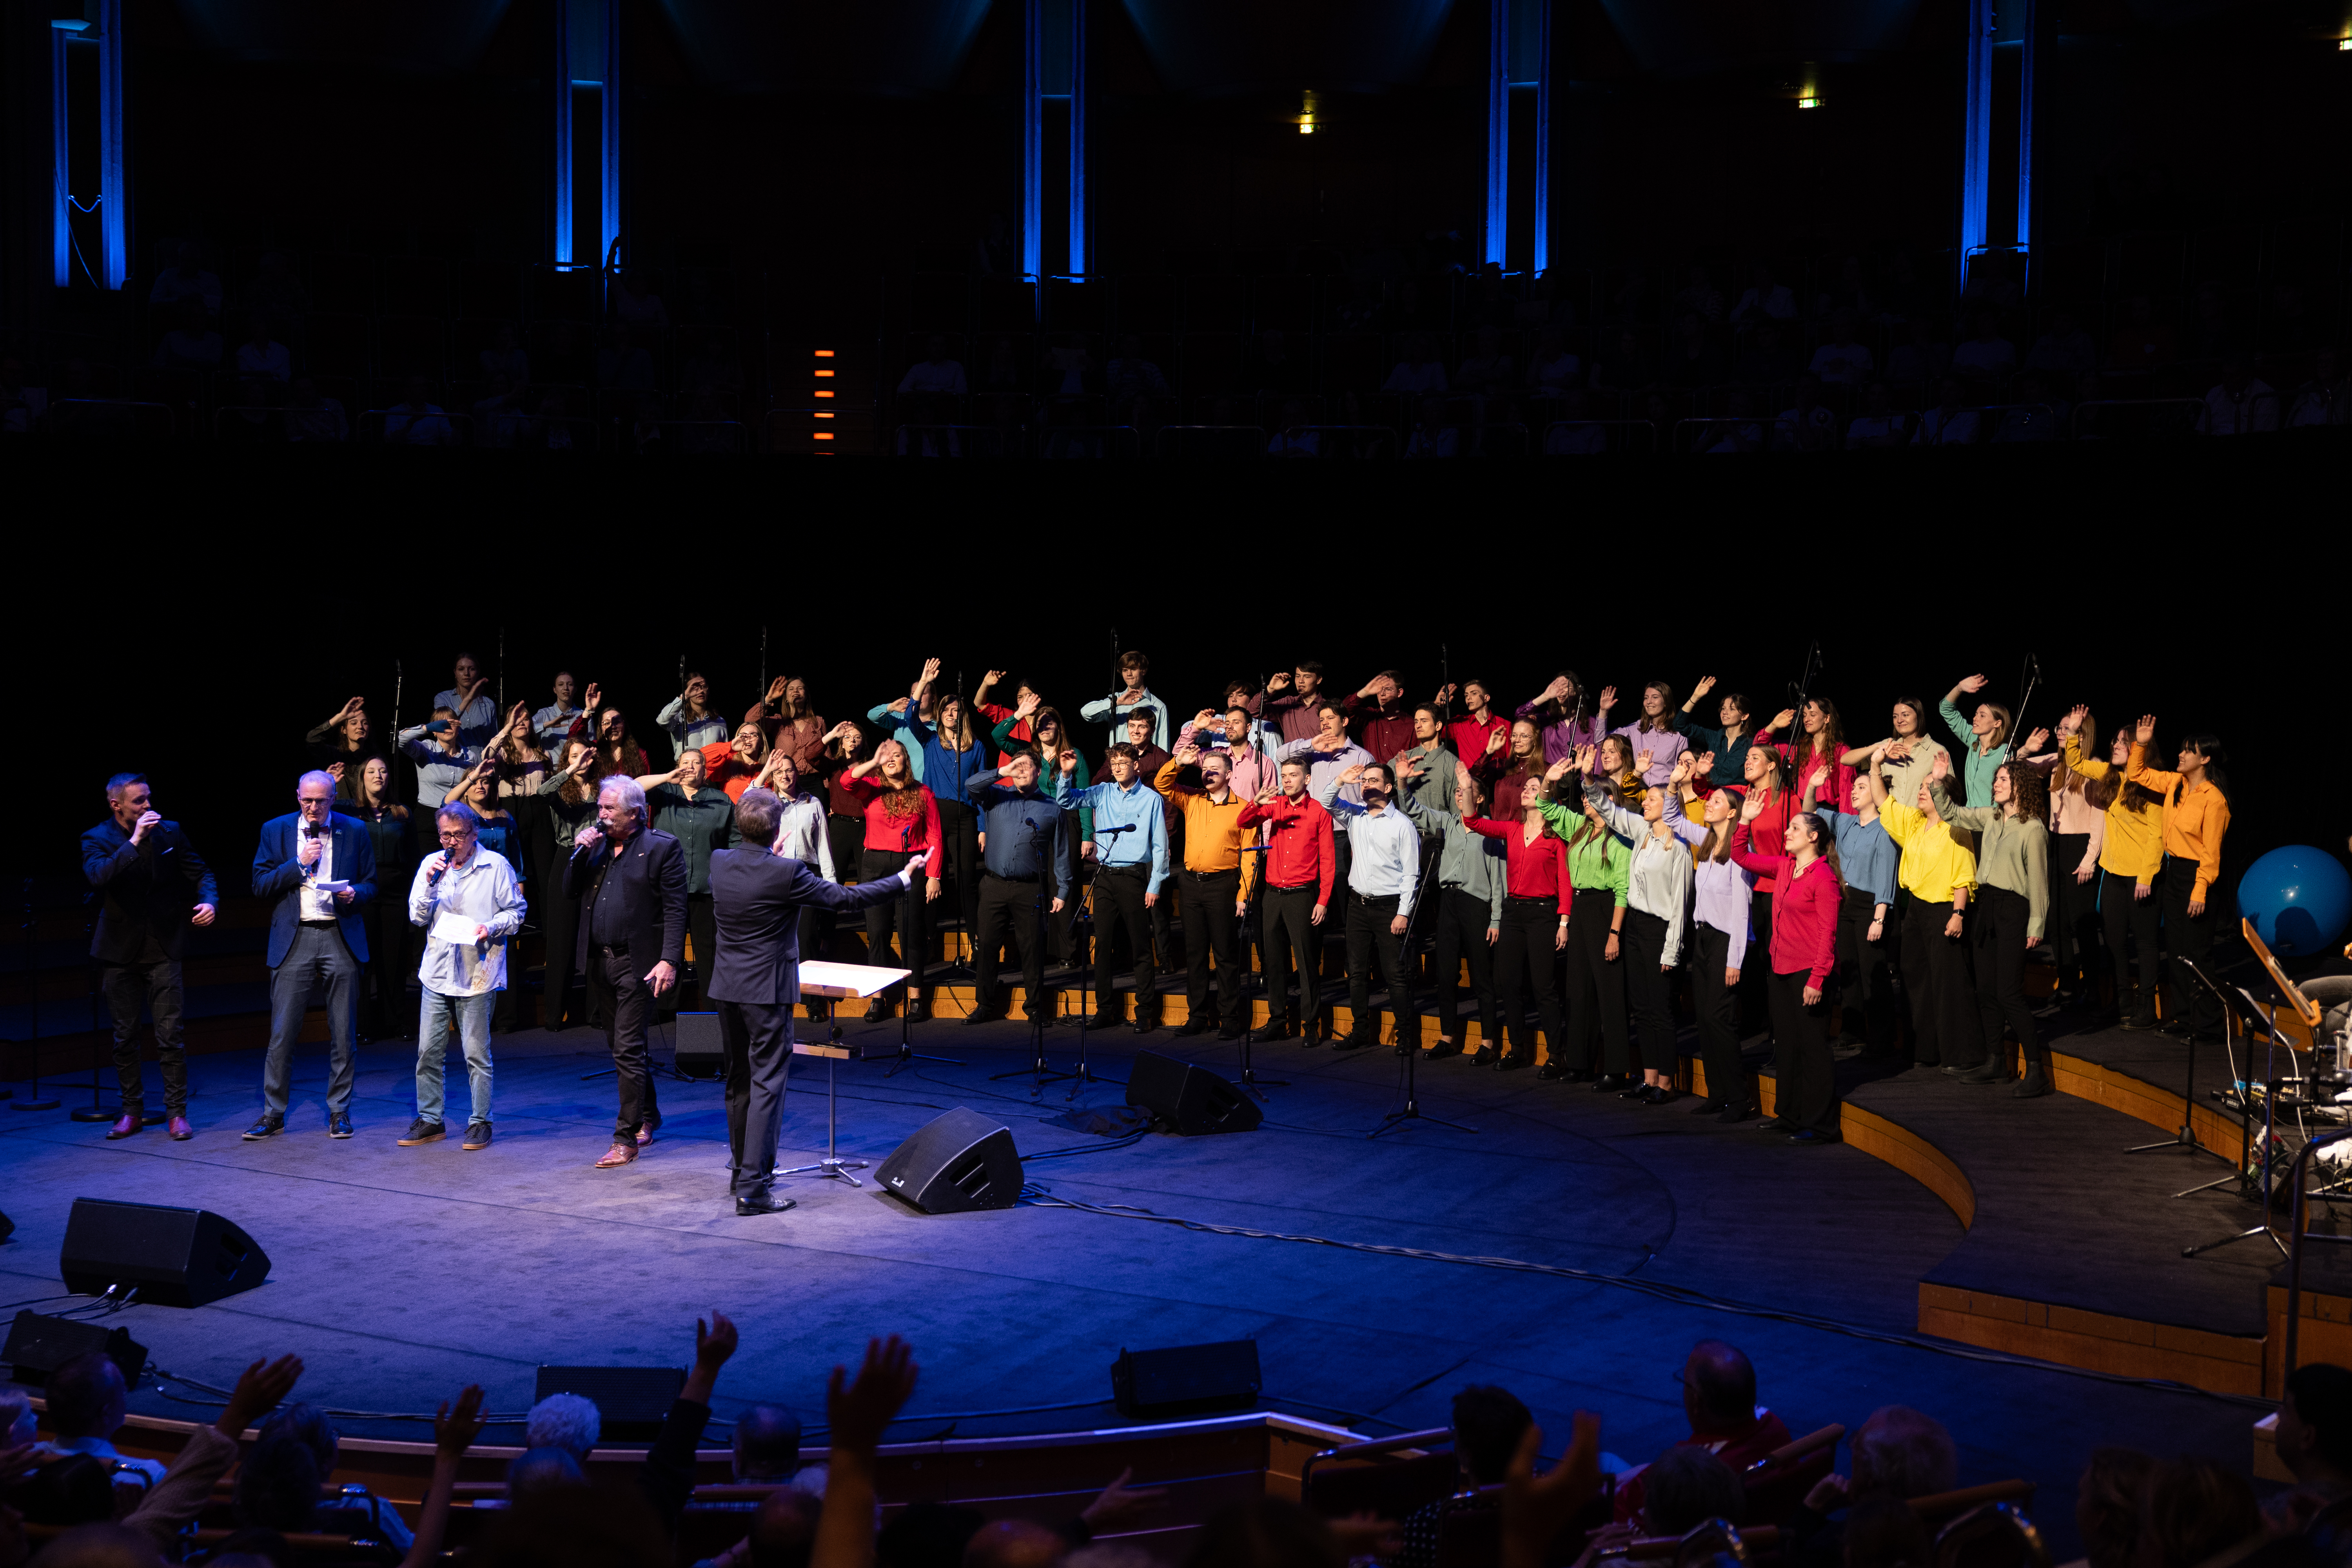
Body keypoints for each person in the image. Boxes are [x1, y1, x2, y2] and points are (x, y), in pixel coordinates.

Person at [709, 788, 927, 1215]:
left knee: (738, 1083)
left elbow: (750, 866)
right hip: (766, 992)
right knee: (766, 1086)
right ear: (778, 830)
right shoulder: (787, 872)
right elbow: (848, 899)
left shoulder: (721, 862)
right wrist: (903, 878)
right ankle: (753, 1190)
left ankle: (742, 1173)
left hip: (726, 989)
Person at [83, 774, 218, 1142]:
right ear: (117, 806)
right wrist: (136, 840)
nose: (148, 807)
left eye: (149, 799)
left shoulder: (170, 832)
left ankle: (177, 1114)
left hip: (163, 948)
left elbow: (202, 871)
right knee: (125, 1036)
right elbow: (99, 876)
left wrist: (209, 900)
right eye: (139, 802)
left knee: (170, 1035)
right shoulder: (97, 838)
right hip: (118, 951)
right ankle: (131, 1112)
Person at [1561, 751, 1703, 1102]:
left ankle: (1666, 1083)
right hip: (1637, 928)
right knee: (1641, 1007)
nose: (1646, 804)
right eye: (1648, 799)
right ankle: (1650, 1078)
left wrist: (1672, 949)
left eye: (1653, 799)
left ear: (1668, 807)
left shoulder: (1679, 851)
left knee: (1661, 1010)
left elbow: (1680, 908)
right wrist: (1589, 779)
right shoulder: (1641, 832)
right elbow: (1609, 810)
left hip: (1660, 931)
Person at [246, 771, 376, 1142]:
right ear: (298, 797)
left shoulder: (354, 830)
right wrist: (299, 864)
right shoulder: (276, 830)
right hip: (295, 937)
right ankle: (273, 1113)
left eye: (321, 801)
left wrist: (357, 894)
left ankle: (340, 1111)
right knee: (282, 1033)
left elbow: (371, 883)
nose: (314, 808)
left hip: (339, 934)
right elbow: (260, 884)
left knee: (343, 1033)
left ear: (334, 798)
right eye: (307, 801)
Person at [567, 777, 688, 1167]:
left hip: (639, 963)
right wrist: (580, 853)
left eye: (608, 809)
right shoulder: (598, 846)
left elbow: (675, 908)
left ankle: (626, 1138)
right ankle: (648, 1116)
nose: (600, 815)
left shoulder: (661, 848)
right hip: (599, 960)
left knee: (629, 1047)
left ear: (635, 813)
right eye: (600, 808)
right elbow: (569, 890)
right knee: (621, 1048)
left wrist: (670, 958)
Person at [400, 799, 526, 1153]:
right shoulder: (432, 865)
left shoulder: (495, 866)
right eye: (445, 835)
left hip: (477, 972)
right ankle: (430, 1120)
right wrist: (428, 884)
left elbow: (517, 911)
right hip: (437, 972)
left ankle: (480, 1122)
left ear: (474, 834)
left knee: (475, 1053)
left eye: (459, 834)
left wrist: (491, 926)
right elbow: (417, 917)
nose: (452, 841)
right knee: (428, 1051)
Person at [1929, 754, 2053, 1096]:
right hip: (1985, 906)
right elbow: (1953, 813)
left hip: (2014, 909)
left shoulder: (2033, 829)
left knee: (2009, 993)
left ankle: (2038, 1072)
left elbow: (2040, 882)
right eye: (1996, 780)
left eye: (2002, 781)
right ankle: (1997, 1061)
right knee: (1985, 989)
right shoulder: (1992, 817)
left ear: (2020, 787)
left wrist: (2036, 926)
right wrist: (1938, 782)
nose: (1996, 785)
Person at [1729, 793, 1843, 1143]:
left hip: (1808, 972)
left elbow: (1829, 933)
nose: (1788, 832)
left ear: (1814, 837)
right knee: (1788, 1045)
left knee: (1813, 1049)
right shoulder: (1784, 867)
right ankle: (1790, 1115)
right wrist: (1744, 821)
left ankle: (1822, 1124)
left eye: (1795, 827)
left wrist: (1818, 979)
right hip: (1780, 968)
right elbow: (1740, 856)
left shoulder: (1823, 877)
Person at [1867, 746, 1980, 1073]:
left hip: (1945, 910)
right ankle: (1925, 1049)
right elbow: (1883, 803)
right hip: (1916, 909)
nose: (1921, 791)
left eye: (1928, 787)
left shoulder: (1956, 828)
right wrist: (1876, 765)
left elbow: (1963, 875)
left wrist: (1958, 914)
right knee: (1915, 978)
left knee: (1950, 982)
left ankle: (1963, 1055)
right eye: (1921, 786)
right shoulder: (1915, 822)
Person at [2127, 716, 2231, 1045]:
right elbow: (2137, 774)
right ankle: (2184, 1018)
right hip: (2174, 874)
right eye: (2182, 750)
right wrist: (2141, 744)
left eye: (2190, 752)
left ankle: (2210, 1026)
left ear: (2206, 759)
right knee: (2175, 951)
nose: (2182, 755)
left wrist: (2199, 892)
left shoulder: (2214, 799)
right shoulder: (2175, 784)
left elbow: (2212, 855)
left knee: (2197, 954)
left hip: (2198, 878)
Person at [1612, 1341, 1791, 1526]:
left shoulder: (1690, 1471)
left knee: (1606, 1460)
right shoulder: (1774, 1426)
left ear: (1697, 1401)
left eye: (1685, 1383)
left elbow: (1615, 1509)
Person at [2062, 715, 2166, 1028]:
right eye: (2116, 741)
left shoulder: (2152, 782)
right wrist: (2073, 731)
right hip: (2114, 873)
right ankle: (2121, 1003)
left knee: (2146, 944)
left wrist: (2146, 876)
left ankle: (2146, 1009)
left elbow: (2156, 836)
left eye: (2125, 742)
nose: (2117, 746)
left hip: (2142, 876)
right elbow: (2076, 762)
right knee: (2115, 941)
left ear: (2141, 748)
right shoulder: (2109, 774)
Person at [1463, 772, 1571, 1073]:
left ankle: (1555, 1055)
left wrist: (1564, 921)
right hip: (1513, 912)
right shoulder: (1512, 829)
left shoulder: (1555, 837)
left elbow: (1564, 880)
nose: (1526, 791)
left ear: (1547, 798)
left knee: (1543, 986)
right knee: (1509, 983)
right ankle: (1517, 1049)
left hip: (1543, 914)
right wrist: (1464, 785)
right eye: (1526, 787)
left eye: (1534, 788)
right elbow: (1473, 822)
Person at [1059, 744, 1170, 1032]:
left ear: (1137, 765)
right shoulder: (1103, 792)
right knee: (1103, 946)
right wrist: (1067, 775)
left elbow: (1160, 846)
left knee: (1140, 948)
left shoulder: (1151, 799)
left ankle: (1145, 1012)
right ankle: (1104, 1010)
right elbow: (1067, 801)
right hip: (1105, 876)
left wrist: (1155, 883)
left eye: (1123, 762)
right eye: (1114, 763)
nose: (1118, 767)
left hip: (1134, 877)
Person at [959, 752, 1074, 1028]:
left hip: (1030, 888)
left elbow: (1061, 852)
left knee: (1032, 949)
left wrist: (1063, 890)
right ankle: (984, 1005)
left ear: (1039, 774)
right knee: (986, 946)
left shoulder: (1052, 808)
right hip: (994, 885)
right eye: (1017, 767)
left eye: (1027, 767)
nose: (1021, 772)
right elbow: (971, 786)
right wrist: (1003, 770)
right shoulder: (997, 795)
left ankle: (1035, 1008)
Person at [1398, 769, 1505, 1061]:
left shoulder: (1492, 831)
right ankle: (1447, 1038)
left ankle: (1487, 1043)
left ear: (1480, 798)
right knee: (1446, 974)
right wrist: (1403, 782)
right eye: (1457, 790)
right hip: (1449, 901)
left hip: (1476, 904)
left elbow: (1498, 878)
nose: (1459, 794)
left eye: (1466, 789)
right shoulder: (1447, 821)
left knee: (1482, 976)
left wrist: (1496, 918)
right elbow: (1412, 809)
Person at [1155, 745, 1256, 1040]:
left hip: (1223, 885)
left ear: (1229, 773)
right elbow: (1163, 784)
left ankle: (1229, 1018)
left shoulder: (1243, 808)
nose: (1208, 773)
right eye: (1204, 769)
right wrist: (1179, 762)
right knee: (1195, 954)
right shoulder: (1192, 799)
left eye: (1214, 769)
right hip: (1190, 884)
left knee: (1225, 955)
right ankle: (1197, 1016)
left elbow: (1250, 855)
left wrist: (1243, 895)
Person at [1320, 763, 1422, 1051]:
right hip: (1358, 905)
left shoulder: (1402, 825)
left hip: (1389, 908)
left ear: (1388, 788)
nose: (1365, 785)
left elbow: (1411, 875)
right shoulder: (1355, 815)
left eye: (1373, 780)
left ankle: (1405, 1036)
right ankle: (1361, 1031)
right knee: (1356, 972)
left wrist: (1403, 912)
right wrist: (1342, 779)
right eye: (1363, 781)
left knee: (1395, 974)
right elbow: (1326, 802)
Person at [1238, 760, 1337, 1044]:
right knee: (1274, 962)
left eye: (1294, 775)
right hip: (1272, 896)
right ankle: (1277, 1021)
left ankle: (1311, 1025)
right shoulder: (1275, 805)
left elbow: (1328, 861)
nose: (1288, 780)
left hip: (1302, 896)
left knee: (1306, 963)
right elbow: (1243, 823)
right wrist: (1255, 804)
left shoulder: (1318, 811)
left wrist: (1323, 900)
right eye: (1285, 776)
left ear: (1307, 778)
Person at [1680, 771, 1757, 1118]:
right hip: (1705, 937)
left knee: (1720, 1017)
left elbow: (1742, 912)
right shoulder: (1709, 843)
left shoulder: (1741, 852)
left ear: (1732, 813)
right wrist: (1675, 785)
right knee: (1704, 1017)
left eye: (1716, 802)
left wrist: (1735, 960)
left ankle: (1739, 1100)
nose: (1708, 804)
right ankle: (1717, 1093)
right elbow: (1672, 818)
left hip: (1728, 940)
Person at [636, 747, 737, 1013]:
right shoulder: (665, 794)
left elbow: (734, 843)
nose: (691, 766)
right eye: (685, 762)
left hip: (706, 890)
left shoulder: (722, 801)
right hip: (668, 889)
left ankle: (713, 1012)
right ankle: (665, 1010)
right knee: (669, 951)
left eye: (697, 763)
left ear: (706, 770)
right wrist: (668, 777)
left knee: (709, 954)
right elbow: (634, 787)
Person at [1559, 765, 1633, 1088]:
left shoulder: (1619, 838)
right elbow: (1548, 808)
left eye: (1594, 797)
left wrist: (1614, 934)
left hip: (1606, 910)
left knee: (1610, 993)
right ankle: (1579, 1063)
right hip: (1581, 907)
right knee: (1579, 992)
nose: (1586, 802)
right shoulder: (1579, 828)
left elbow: (1622, 889)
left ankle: (1616, 1069)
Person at [1823, 773, 1901, 1060]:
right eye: (1854, 786)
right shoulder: (1846, 822)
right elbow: (1808, 812)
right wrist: (1811, 787)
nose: (1854, 791)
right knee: (1851, 971)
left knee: (1873, 974)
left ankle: (1882, 1039)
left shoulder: (1885, 828)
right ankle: (1851, 1032)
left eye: (1862, 787)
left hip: (1871, 906)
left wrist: (1880, 918)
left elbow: (1886, 876)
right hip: (1846, 902)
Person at [1271, 701, 1374, 896]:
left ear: (1345, 721)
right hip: (1311, 832)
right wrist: (1311, 744)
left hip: (1341, 834)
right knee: (1312, 891)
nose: (1325, 723)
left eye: (1330, 718)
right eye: (1322, 719)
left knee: (1339, 891)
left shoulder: (1361, 757)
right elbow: (1280, 754)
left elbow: (1367, 802)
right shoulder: (1313, 754)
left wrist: (1359, 836)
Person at [342, 756, 413, 1037]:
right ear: (361, 779)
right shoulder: (350, 814)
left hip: (395, 893)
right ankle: (363, 1025)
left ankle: (394, 1020)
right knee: (364, 960)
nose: (378, 776)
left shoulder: (401, 813)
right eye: (371, 771)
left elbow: (413, 856)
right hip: (363, 893)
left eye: (383, 771)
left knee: (394, 959)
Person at [1937, 673, 2012, 813]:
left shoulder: (2005, 753)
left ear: (1998, 723)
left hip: (1993, 820)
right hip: (1971, 818)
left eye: (1982, 716)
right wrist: (1959, 688)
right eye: (1976, 714)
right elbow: (1946, 710)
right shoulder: (1973, 741)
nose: (1975, 718)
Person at [1080, 650, 1172, 753]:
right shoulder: (1116, 700)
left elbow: (1163, 745)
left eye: (1133, 669)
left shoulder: (1158, 706)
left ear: (1144, 671)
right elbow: (1086, 713)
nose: (1129, 674)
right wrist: (1117, 703)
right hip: (1118, 765)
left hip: (1145, 766)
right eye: (1125, 670)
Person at [305, 695, 378, 801]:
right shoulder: (334, 754)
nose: (360, 727)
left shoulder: (374, 759)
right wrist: (341, 716)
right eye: (354, 723)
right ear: (344, 730)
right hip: (342, 814)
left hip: (368, 815)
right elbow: (312, 739)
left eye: (365, 723)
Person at [432, 653, 498, 750]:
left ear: (478, 672)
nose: (467, 673)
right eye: (461, 669)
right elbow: (443, 725)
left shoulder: (488, 704)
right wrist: (469, 698)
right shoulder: (443, 698)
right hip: (453, 763)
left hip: (480, 763)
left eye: (472, 669)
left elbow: (494, 742)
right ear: (455, 673)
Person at [659, 672, 731, 759]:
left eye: (703, 687)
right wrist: (685, 697)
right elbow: (662, 720)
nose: (700, 691)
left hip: (713, 771)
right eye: (694, 687)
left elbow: (725, 753)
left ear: (708, 691)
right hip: (687, 771)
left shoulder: (720, 721)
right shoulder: (679, 718)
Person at [535, 673, 585, 750]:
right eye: (561, 685)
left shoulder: (583, 715)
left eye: (570, 684)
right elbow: (526, 730)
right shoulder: (545, 714)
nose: (566, 688)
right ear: (555, 690)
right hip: (552, 762)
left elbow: (592, 742)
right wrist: (547, 725)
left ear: (575, 689)